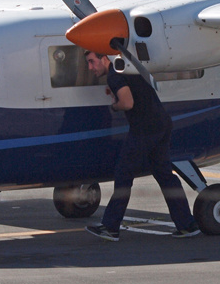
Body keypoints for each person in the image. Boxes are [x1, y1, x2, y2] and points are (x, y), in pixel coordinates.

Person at [83, 51, 200, 242]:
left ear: (105, 58)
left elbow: (127, 103)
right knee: (164, 174)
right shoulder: (126, 67)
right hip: (161, 123)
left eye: (91, 61)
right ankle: (187, 224)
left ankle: (111, 227)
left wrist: (114, 106)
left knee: (123, 174)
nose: (90, 67)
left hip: (144, 129)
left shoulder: (114, 74)